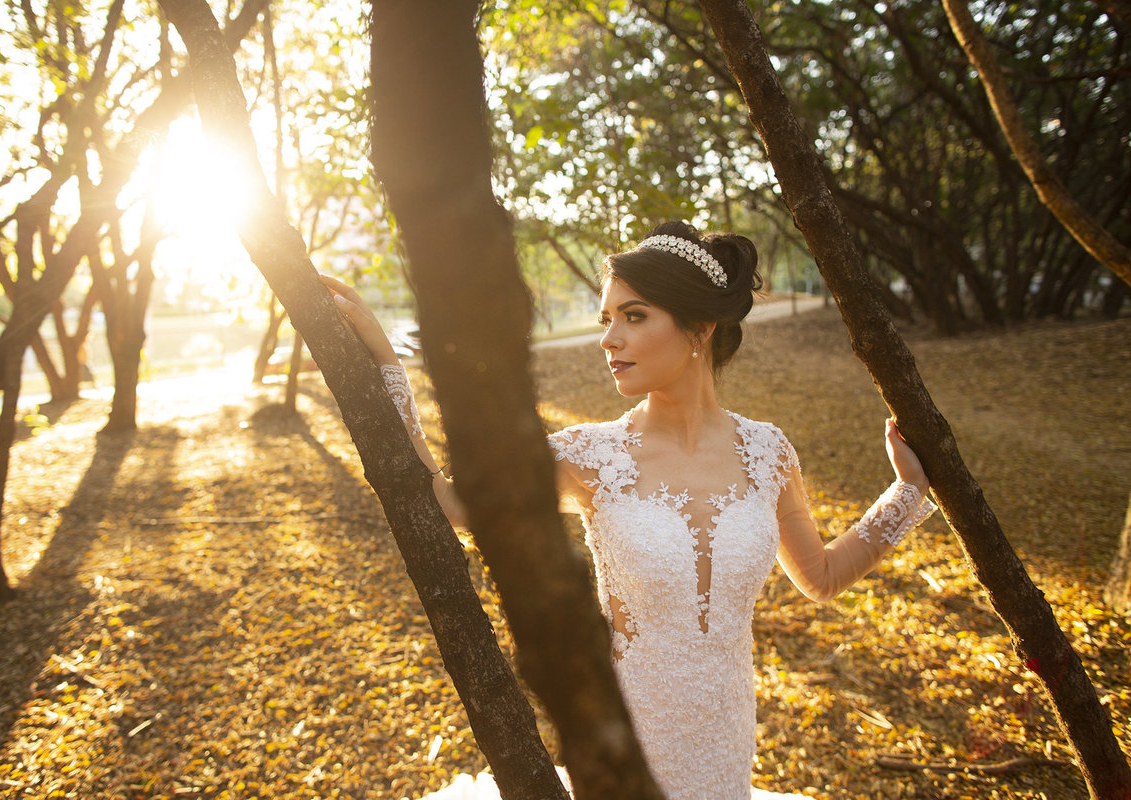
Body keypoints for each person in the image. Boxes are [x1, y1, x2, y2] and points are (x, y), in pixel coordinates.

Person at [319, 221, 937, 800]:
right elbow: (449, 500)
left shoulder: (768, 453)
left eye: (634, 316)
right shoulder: (589, 456)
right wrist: (385, 365)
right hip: (621, 748)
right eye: (605, 318)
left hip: (725, 747)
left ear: (700, 329)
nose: (608, 339)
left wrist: (907, 493)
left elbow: (822, 578)